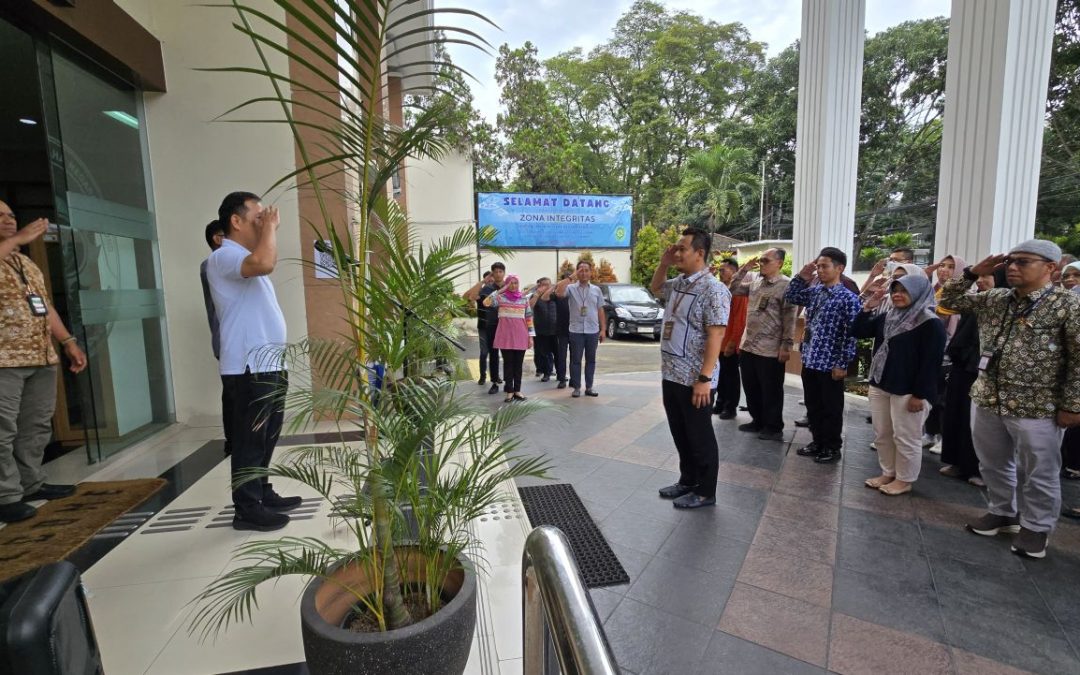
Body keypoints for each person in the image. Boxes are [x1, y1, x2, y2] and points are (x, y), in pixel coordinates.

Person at [939, 239, 1080, 559]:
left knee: (1039, 469)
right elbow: (948, 301)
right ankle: (1003, 511)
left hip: (1037, 406)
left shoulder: (1068, 305)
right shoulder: (996, 299)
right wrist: (972, 273)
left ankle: (1037, 527)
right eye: (1011, 261)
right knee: (992, 462)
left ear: (1050, 268)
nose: (1013, 267)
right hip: (988, 397)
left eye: (1024, 262)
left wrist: (1073, 404)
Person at [206, 192, 301, 532]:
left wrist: (265, 232)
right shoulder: (224, 257)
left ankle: (261, 489)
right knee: (250, 438)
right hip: (248, 366)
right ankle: (246, 508)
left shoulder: (244, 256)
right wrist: (271, 229)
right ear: (236, 221)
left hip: (268, 362)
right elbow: (265, 262)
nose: (265, 221)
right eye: (257, 216)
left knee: (268, 433)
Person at [0, 203, 86, 523]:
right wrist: (20, 237)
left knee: (35, 425)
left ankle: (30, 483)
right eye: (1, 217)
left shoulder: (25, 262)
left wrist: (67, 342)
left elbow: (44, 307)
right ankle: (5, 495)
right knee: (2, 430)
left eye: (11, 214)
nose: (9, 220)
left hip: (40, 356)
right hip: (4, 361)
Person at [650, 227, 730, 509]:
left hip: (696, 377)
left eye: (683, 248)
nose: (678, 253)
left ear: (700, 253)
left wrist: (705, 378)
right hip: (671, 372)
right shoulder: (679, 283)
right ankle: (688, 480)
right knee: (680, 431)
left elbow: (716, 335)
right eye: (677, 248)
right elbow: (655, 287)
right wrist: (663, 262)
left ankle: (706, 491)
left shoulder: (715, 290)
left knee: (699, 435)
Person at [854, 275, 946, 495]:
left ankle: (904, 479)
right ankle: (888, 472)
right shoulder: (889, 316)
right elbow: (858, 331)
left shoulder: (930, 323)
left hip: (909, 390)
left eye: (904, 291)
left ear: (918, 293)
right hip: (881, 383)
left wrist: (919, 395)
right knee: (883, 433)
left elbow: (931, 363)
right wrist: (868, 307)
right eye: (895, 290)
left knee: (905, 436)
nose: (897, 294)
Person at [785, 247, 862, 464]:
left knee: (831, 408)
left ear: (840, 268)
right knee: (813, 405)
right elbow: (791, 296)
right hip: (811, 358)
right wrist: (802, 275)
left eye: (824, 266)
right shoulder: (816, 291)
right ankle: (817, 441)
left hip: (831, 363)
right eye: (818, 266)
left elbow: (851, 334)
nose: (820, 270)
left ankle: (831, 446)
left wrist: (842, 363)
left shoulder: (849, 298)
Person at [730, 249, 796, 442]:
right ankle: (757, 420)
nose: (761, 263)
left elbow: (790, 317)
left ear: (779, 264)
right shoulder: (755, 283)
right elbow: (733, 288)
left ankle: (774, 427)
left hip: (770, 348)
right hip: (749, 345)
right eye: (760, 260)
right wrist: (743, 269)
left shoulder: (787, 285)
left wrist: (786, 346)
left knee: (771, 390)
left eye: (766, 260)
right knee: (751, 387)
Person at [939, 272, 995, 486]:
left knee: (977, 423)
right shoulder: (976, 301)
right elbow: (947, 300)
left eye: (986, 276)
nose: (981, 280)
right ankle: (956, 462)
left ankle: (977, 469)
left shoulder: (1001, 303)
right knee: (955, 415)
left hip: (983, 370)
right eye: (978, 277)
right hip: (962, 365)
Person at [200, 220, 234, 456]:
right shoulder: (212, 265)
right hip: (227, 340)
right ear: (218, 239)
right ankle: (232, 439)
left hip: (235, 339)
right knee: (232, 393)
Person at [554, 261, 606, 398]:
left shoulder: (596, 290)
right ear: (577, 272)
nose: (584, 273)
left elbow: (600, 310)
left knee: (591, 360)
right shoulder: (570, 288)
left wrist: (603, 329)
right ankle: (576, 387)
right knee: (575, 360)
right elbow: (558, 292)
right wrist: (571, 277)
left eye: (586, 270)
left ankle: (589, 387)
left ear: (591, 272)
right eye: (581, 270)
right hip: (576, 330)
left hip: (592, 330)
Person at [484, 275, 534, 402]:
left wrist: (531, 336)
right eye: (510, 283)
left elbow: (529, 318)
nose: (513, 285)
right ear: (506, 284)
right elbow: (486, 302)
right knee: (508, 364)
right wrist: (501, 290)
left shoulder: (523, 299)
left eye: (516, 283)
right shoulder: (501, 298)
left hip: (521, 336)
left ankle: (517, 390)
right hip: (505, 336)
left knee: (518, 364)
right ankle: (509, 391)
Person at [463, 264, 505, 392]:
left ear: (504, 273)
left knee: (504, 354)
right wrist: (482, 282)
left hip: (503, 326)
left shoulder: (507, 287)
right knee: (486, 352)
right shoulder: (485, 290)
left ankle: (504, 380)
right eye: (494, 273)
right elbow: (467, 296)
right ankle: (485, 377)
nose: (497, 275)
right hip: (486, 326)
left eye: (500, 271)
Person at [714, 258, 746, 419]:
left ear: (734, 272)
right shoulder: (720, 289)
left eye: (723, 270)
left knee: (730, 376)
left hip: (729, 342)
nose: (720, 274)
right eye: (719, 270)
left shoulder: (739, 293)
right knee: (719, 375)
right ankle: (720, 403)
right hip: (717, 340)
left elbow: (739, 320)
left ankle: (730, 407)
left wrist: (732, 342)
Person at [544, 272, 572, 389]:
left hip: (575, 329)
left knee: (575, 356)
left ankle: (574, 379)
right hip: (561, 330)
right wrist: (555, 286)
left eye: (569, 281)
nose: (567, 284)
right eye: (565, 281)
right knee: (561, 356)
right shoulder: (558, 295)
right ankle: (561, 379)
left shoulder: (574, 293)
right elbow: (544, 297)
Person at [530, 277, 557, 382]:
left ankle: (559, 373)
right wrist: (537, 294)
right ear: (539, 286)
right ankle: (546, 372)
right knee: (544, 353)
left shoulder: (554, 296)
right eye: (543, 284)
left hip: (555, 329)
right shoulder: (536, 296)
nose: (546, 287)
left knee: (556, 353)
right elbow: (530, 306)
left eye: (548, 284)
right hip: (541, 329)